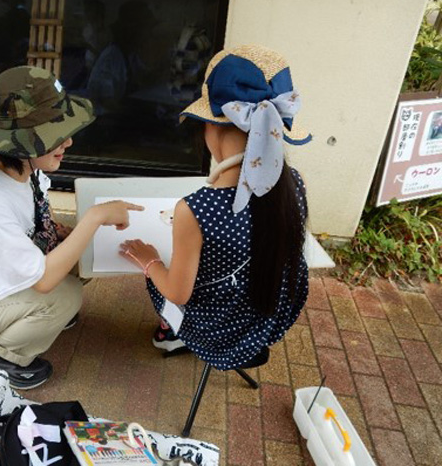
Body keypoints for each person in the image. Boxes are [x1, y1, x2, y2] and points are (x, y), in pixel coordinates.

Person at [0, 66, 142, 389]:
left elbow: (36, 216)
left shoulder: (21, 168)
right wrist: (94, 218)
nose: (68, 141)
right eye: (55, 136)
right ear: (21, 144)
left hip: (2, 273)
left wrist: (68, 233)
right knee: (64, 296)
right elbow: (44, 281)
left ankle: (35, 320)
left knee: (85, 254)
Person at [119, 45, 312, 370]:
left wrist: (148, 260)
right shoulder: (294, 183)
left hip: (214, 332)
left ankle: (174, 333)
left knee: (157, 279)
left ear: (213, 127)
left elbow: (178, 293)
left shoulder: (196, 209)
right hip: (265, 321)